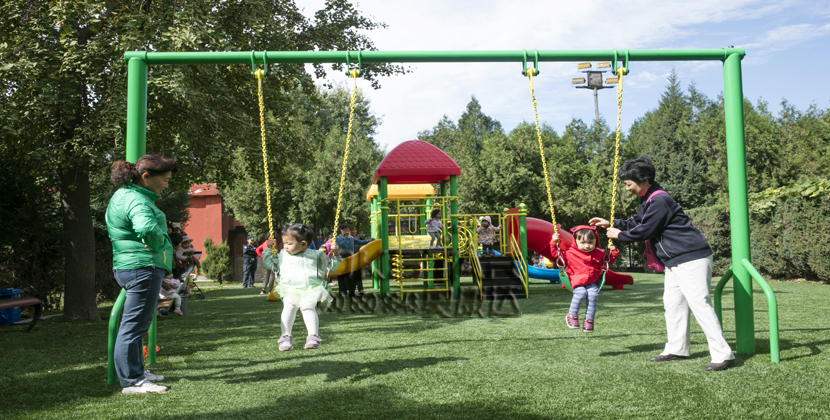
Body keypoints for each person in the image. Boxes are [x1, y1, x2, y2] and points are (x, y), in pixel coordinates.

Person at [589, 156, 735, 371]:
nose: (627, 189)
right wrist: (612, 223)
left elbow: (646, 230)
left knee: (699, 303)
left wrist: (620, 235)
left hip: (691, 257)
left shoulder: (659, 200)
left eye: (629, 184)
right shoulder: (647, 200)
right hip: (675, 261)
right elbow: (637, 222)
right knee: (673, 304)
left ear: (644, 180)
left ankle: (723, 354)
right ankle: (677, 348)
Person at [106, 152, 178, 394]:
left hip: (132, 266)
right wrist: (158, 244)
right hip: (142, 267)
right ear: (146, 177)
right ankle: (132, 381)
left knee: (136, 324)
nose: (167, 184)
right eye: (165, 179)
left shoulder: (125, 194)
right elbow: (146, 227)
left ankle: (135, 372)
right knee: (134, 325)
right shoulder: (137, 200)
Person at [262, 224, 341, 351]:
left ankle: (313, 336)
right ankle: (285, 337)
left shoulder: (317, 255)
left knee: (308, 308)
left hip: (311, 289)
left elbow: (330, 267)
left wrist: (335, 254)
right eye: (284, 243)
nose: (285, 246)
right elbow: (269, 263)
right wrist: (268, 249)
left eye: (289, 243)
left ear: (303, 244)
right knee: (289, 308)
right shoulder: (283, 255)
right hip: (290, 288)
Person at [550, 226, 618, 333]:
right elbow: (555, 255)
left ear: (596, 241)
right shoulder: (569, 253)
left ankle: (589, 320)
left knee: (593, 293)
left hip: (591, 282)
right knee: (581, 293)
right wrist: (554, 242)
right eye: (582, 243)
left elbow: (608, 261)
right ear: (575, 241)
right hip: (576, 281)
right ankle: (571, 315)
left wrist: (612, 252)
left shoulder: (599, 253)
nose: (587, 246)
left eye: (590, 242)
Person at [335, 223, 371, 296]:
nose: (347, 231)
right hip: (342, 259)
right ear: (340, 230)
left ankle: (352, 292)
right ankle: (342, 292)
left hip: (351, 258)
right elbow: (342, 245)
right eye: (345, 230)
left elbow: (359, 242)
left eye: (347, 230)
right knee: (342, 276)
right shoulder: (338, 238)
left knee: (352, 276)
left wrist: (369, 241)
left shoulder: (351, 238)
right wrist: (346, 237)